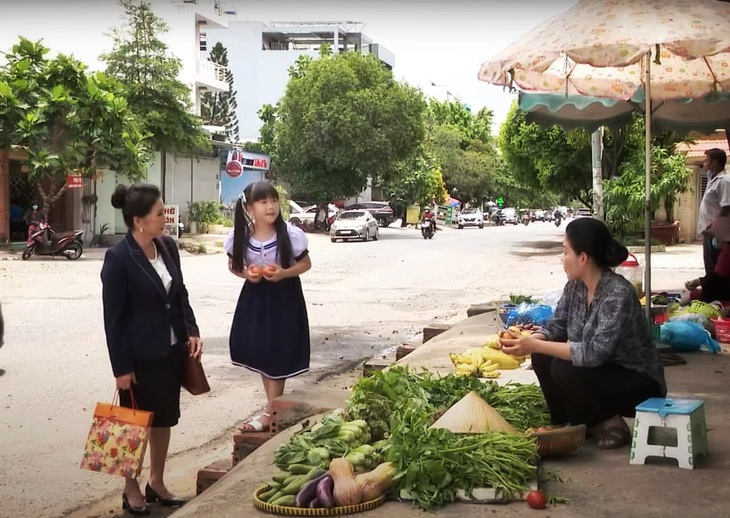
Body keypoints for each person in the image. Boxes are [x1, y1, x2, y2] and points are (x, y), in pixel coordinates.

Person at [499, 217, 666, 449]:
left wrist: (534, 345)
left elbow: (592, 353)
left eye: (565, 251)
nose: (562, 258)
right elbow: (556, 327)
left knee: (564, 366)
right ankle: (570, 422)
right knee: (542, 357)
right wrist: (527, 342)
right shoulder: (575, 287)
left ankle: (612, 424)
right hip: (600, 373)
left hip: (636, 379)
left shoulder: (618, 293)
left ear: (583, 258)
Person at [101, 183, 202, 515]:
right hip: (139, 357)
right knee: (133, 424)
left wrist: (191, 330)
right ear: (139, 220)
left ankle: (156, 482)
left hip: (171, 351)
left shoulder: (168, 246)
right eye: (159, 212)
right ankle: (130, 488)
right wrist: (121, 369)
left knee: (164, 419)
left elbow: (180, 295)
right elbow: (113, 320)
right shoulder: (118, 258)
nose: (165, 216)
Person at [224, 181, 312, 433]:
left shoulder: (289, 234)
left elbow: (305, 264)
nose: (270, 206)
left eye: (273, 201)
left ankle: (271, 413)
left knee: (278, 354)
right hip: (257, 298)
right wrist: (248, 274)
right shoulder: (241, 238)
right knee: (263, 353)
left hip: (285, 298)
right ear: (250, 208)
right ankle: (272, 411)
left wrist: (284, 273)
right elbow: (234, 266)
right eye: (263, 202)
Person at [684, 214, 730, 303]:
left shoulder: (726, 254)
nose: (714, 239)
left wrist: (692, 295)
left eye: (716, 235)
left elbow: (714, 282)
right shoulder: (724, 252)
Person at [698, 148, 729, 275]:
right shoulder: (712, 179)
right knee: (709, 265)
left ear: (714, 163)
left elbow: (727, 206)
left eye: (707, 160)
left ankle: (717, 293)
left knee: (715, 268)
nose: (704, 163)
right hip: (708, 232)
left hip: (717, 233)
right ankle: (711, 292)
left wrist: (714, 227)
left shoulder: (725, 181)